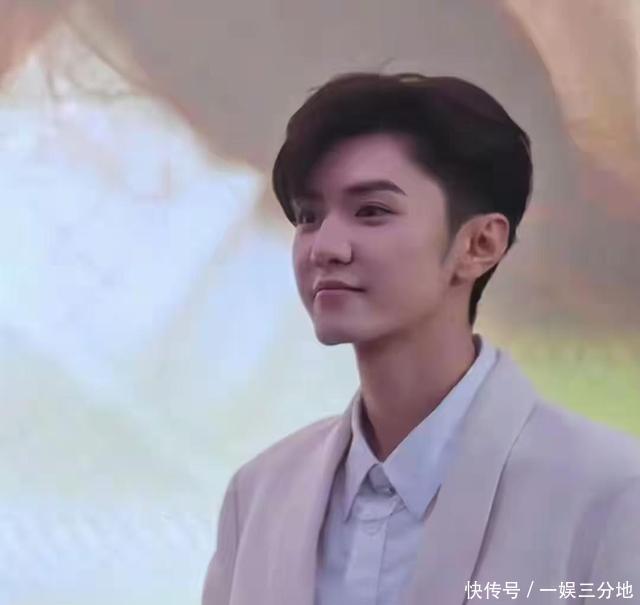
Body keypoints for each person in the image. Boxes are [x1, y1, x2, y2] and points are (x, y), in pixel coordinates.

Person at [202, 73, 640, 605]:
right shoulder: (259, 495)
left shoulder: (613, 492)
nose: (325, 247)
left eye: (372, 211)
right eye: (308, 216)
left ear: (480, 244)